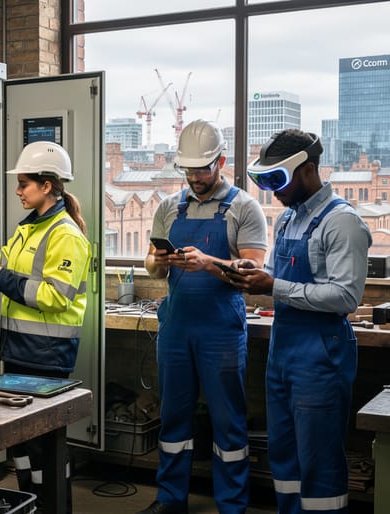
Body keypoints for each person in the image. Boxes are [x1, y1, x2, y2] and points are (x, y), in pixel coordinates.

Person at [227, 129, 372, 514]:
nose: (273, 192)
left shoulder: (342, 223)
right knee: (285, 456)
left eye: (279, 180)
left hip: (320, 356)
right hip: (284, 352)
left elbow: (346, 296)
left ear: (307, 170)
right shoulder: (288, 219)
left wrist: (275, 285)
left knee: (318, 461)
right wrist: (251, 274)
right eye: (266, 181)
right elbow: (275, 276)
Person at [140, 119, 268, 514]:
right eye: (189, 170)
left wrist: (208, 262)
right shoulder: (168, 206)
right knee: (173, 418)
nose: (195, 177)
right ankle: (170, 499)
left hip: (221, 333)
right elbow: (151, 266)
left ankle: (232, 505)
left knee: (227, 420)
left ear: (222, 162)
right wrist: (157, 262)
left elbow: (253, 273)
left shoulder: (245, 208)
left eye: (203, 169)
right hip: (176, 328)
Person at [0, 140, 90, 511]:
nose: (18, 191)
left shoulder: (66, 235)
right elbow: (0, 263)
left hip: (47, 360)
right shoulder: (29, 229)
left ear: (47, 186)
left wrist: (4, 279)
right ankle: (30, 506)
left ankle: (52, 507)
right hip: (20, 353)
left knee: (44, 450)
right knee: (20, 447)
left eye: (24, 184)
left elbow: (54, 295)